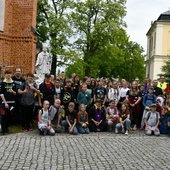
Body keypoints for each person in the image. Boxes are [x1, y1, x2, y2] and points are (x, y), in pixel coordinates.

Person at [0, 70, 17, 135]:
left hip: (11, 102)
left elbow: (15, 93)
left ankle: (6, 129)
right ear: (5, 75)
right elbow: (1, 94)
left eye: (10, 74)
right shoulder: (2, 83)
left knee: (8, 116)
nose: (9, 75)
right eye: (7, 74)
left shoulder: (13, 83)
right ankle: (2, 130)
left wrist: (12, 91)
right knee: (3, 116)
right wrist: (5, 102)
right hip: (4, 103)